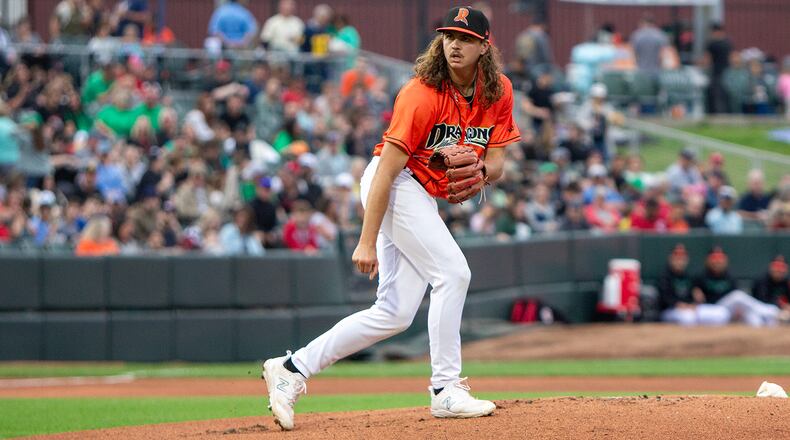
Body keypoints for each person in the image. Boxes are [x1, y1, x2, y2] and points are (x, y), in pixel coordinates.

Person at [262, 6, 519, 430]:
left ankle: (291, 368)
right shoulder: (421, 94)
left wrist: (480, 168)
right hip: (394, 184)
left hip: (420, 194)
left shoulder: (498, 90)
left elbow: (498, 160)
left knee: (395, 313)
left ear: (483, 47)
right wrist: (366, 241)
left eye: (466, 39)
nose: (455, 44)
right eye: (449, 36)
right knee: (453, 273)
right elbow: (385, 170)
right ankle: (445, 390)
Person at [693, 247, 783, 326]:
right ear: (708, 260)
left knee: (752, 316)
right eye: (714, 258)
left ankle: (764, 330)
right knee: (737, 296)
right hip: (711, 309)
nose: (717, 261)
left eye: (720, 258)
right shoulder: (701, 277)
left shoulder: (729, 277)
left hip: (726, 309)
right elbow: (695, 299)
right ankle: (774, 312)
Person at [658, 244, 730, 325]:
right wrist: (679, 305)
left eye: (682, 257)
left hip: (690, 309)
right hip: (670, 311)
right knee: (688, 317)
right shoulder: (665, 276)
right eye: (677, 257)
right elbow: (665, 299)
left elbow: (695, 297)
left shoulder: (688, 276)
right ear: (671, 258)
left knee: (721, 314)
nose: (679, 260)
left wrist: (695, 300)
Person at [704, 23, 732, 114]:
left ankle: (717, 113)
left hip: (716, 72)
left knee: (716, 95)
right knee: (726, 94)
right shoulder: (728, 43)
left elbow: (707, 60)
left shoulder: (712, 44)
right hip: (728, 72)